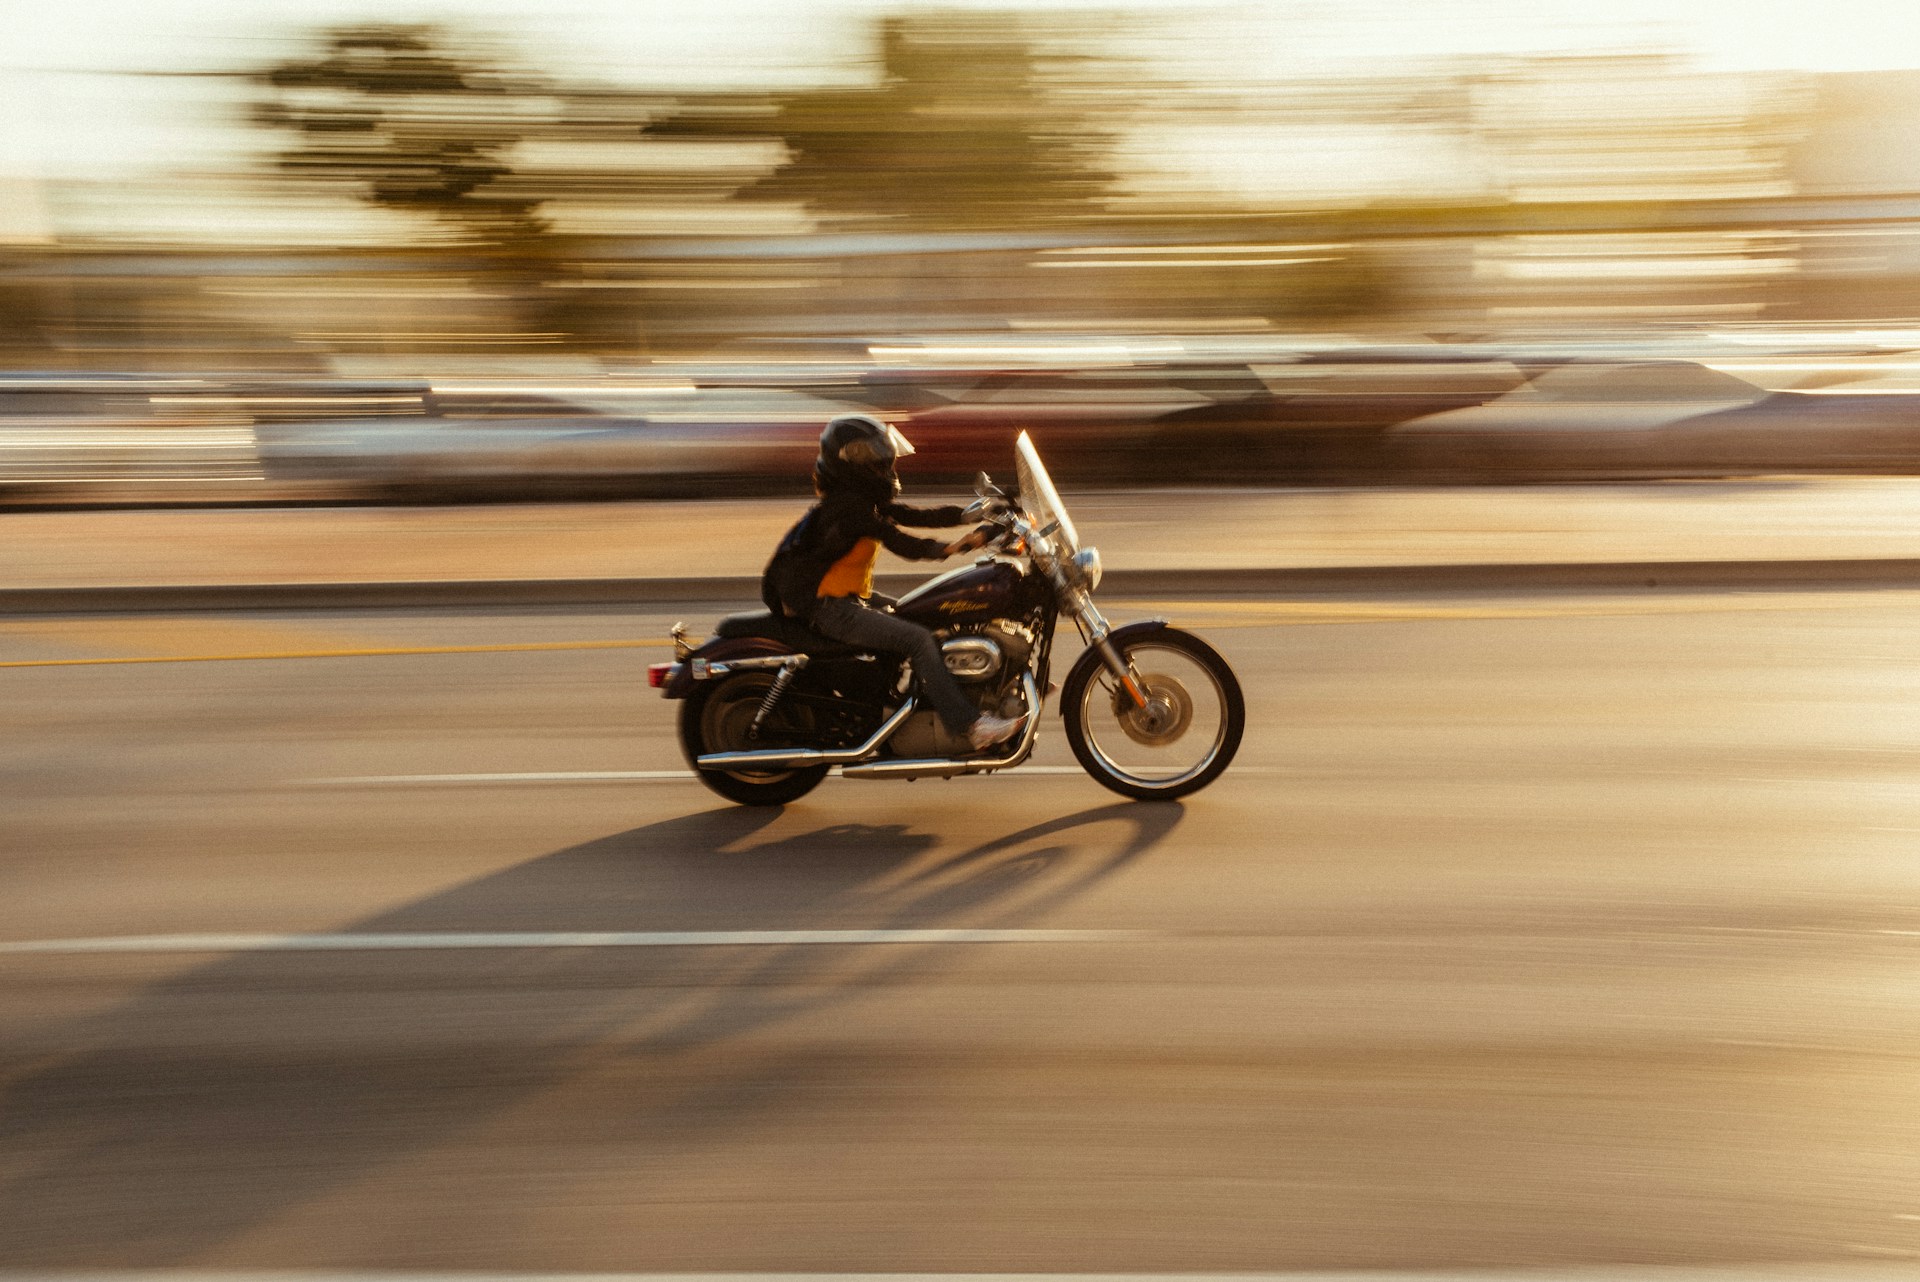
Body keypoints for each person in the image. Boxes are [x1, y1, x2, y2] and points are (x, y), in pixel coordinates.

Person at [761, 414, 1026, 753]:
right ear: (853, 461)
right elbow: (899, 540)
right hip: (828, 606)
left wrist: (976, 513)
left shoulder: (859, 500)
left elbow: (915, 514)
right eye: (876, 458)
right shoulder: (848, 508)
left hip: (844, 598)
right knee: (918, 639)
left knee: (922, 616)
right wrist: (953, 547)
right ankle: (971, 727)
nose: (885, 464)